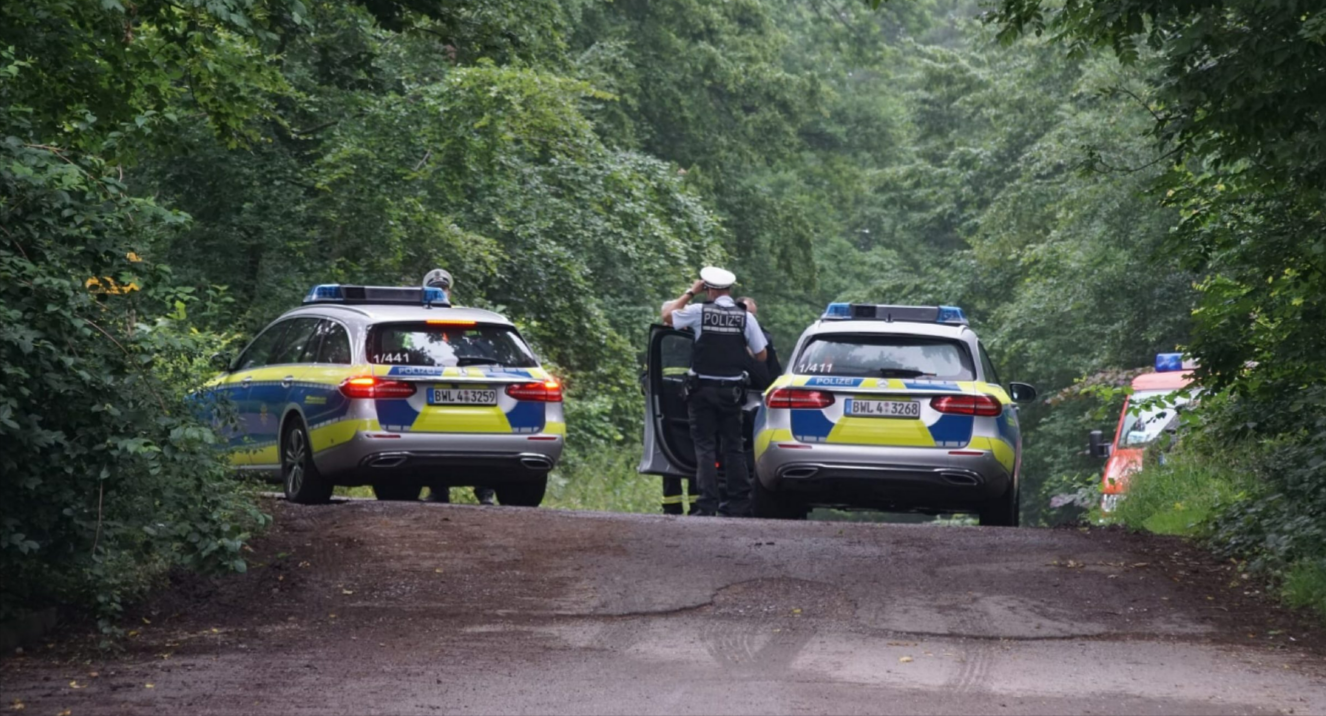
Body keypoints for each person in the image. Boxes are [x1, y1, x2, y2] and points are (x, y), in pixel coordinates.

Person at [661, 267, 768, 517]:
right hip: (731, 392)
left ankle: (707, 505)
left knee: (705, 447)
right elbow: (761, 355)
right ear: (730, 289)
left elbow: (667, 315)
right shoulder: (745, 318)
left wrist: (690, 292)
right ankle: (738, 504)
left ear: (707, 289)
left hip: (702, 392)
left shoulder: (699, 312)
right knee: (733, 447)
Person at [420, 268, 496, 506]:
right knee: (434, 439)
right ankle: (439, 490)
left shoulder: (462, 316)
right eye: (436, 289)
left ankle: (485, 492)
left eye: (442, 288)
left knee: (480, 437)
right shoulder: (416, 316)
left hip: (467, 377)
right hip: (435, 378)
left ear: (449, 290)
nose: (440, 292)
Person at [735, 296, 782, 392]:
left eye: (754, 315)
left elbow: (773, 368)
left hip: (757, 389)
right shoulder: (725, 332)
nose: (751, 318)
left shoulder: (764, 336)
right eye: (748, 313)